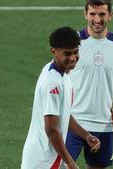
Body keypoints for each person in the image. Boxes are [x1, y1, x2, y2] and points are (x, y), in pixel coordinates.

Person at [65, 0, 113, 168]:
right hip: (71, 123)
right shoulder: (71, 43)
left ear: (110, 15)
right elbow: (56, 78)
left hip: (103, 125)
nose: (97, 19)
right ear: (85, 14)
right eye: (92, 14)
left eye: (102, 14)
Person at [21, 26, 100, 169]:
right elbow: (51, 128)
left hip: (51, 158)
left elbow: (63, 114)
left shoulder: (64, 73)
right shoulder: (52, 82)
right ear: (53, 51)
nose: (73, 58)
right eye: (67, 53)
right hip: (43, 160)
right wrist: (70, 162)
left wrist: (86, 135)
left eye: (76, 52)